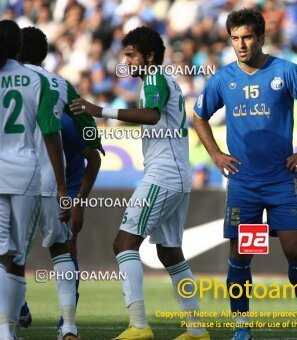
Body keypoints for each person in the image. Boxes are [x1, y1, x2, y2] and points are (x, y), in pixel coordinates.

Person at [193, 8, 297, 340]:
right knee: (242, 255)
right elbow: (199, 117)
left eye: (247, 37)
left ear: (261, 37)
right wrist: (215, 154)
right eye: (235, 38)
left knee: (294, 248)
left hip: (281, 180)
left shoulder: (284, 72)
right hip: (244, 183)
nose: (241, 44)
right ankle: (243, 327)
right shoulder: (222, 79)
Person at [70, 26, 209, 340]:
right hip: (177, 174)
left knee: (124, 243)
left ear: (148, 56)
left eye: (131, 55)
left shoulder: (156, 78)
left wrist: (100, 110)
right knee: (170, 253)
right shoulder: (160, 80)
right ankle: (197, 329)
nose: (127, 61)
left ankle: (139, 326)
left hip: (164, 174)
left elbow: (152, 115)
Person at [17, 26, 103, 340]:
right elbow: (92, 145)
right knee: (63, 251)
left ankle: (10, 321)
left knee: (9, 254)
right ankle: (68, 326)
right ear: (44, 54)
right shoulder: (61, 84)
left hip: (12, 178)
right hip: (53, 179)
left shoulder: (4, 80)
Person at [0, 19, 66, 339]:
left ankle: (7, 326)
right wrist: (64, 184)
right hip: (34, 175)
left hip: (7, 174)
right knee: (26, 255)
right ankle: (16, 325)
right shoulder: (46, 82)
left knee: (6, 254)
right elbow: (56, 133)